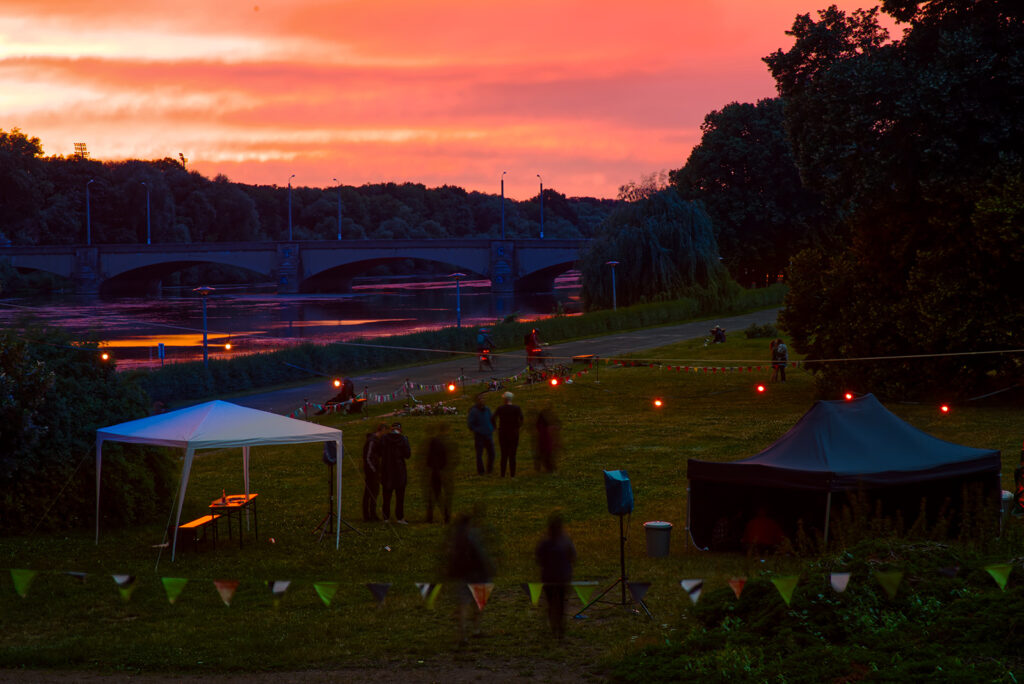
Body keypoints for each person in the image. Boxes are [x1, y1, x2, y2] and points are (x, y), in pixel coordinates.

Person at [443, 511, 495, 645]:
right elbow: (481, 555)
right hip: (477, 575)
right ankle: (476, 629)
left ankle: (462, 635)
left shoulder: (455, 538)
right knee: (478, 604)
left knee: (463, 606)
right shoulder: (472, 537)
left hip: (462, 575)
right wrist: (489, 569)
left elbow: (450, 557)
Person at [535, 512, 576, 641]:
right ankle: (558, 628)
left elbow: (539, 559)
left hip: (552, 578)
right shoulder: (564, 541)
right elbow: (572, 556)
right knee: (558, 605)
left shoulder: (546, 542)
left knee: (553, 605)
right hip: (559, 578)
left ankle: (557, 628)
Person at [424, 423, 456, 524]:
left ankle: (430, 517)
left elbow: (429, 460)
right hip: (444, 472)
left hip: (435, 471)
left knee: (433, 496)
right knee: (445, 496)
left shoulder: (433, 442)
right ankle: (446, 516)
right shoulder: (446, 442)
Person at [380, 422, 411, 524]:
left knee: (386, 496)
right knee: (400, 497)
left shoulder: (384, 438)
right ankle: (400, 517)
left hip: (387, 470)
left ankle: (386, 517)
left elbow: (379, 452)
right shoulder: (403, 439)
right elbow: (407, 455)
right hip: (399, 471)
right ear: (400, 429)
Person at [492, 391, 524, 477]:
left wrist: (495, 428)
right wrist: (518, 427)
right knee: (512, 454)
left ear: (504, 399)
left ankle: (502, 474)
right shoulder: (516, 408)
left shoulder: (500, 408)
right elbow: (521, 419)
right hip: (514, 433)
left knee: (504, 454)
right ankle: (512, 474)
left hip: (503, 433)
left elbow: (493, 418)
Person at [361, 422, 388, 522]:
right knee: (369, 493)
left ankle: (372, 513)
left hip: (375, 470)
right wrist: (373, 470)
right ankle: (367, 515)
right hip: (371, 471)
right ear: (382, 430)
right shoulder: (372, 441)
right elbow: (368, 457)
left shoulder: (377, 441)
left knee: (375, 492)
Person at [467, 393, 495, 474]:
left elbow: (491, 419)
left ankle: (489, 469)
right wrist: (477, 430)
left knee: (492, 453)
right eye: (480, 399)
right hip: (479, 436)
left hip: (488, 435)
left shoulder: (487, 409)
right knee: (479, 454)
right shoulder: (474, 411)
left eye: (483, 399)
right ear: (477, 401)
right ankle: (481, 471)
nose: (482, 400)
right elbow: (470, 424)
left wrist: (492, 428)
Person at [534, 404, 561, 473]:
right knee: (547, 455)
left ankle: (544, 467)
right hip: (546, 441)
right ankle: (549, 467)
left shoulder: (540, 425)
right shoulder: (546, 426)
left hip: (542, 441)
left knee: (544, 454)